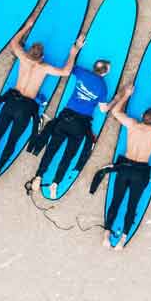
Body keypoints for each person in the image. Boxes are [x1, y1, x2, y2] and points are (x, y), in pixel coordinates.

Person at [0, 18, 85, 182]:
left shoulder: (23, 57)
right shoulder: (44, 67)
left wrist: (27, 26)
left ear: (29, 51)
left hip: (12, 102)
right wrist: (74, 51)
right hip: (26, 108)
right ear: (42, 57)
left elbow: (14, 42)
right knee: (12, 139)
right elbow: (66, 72)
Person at [91, 85, 151, 249]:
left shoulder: (132, 124)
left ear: (142, 116)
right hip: (140, 172)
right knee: (132, 205)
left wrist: (126, 95)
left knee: (116, 201)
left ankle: (106, 236)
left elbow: (116, 112)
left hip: (125, 167)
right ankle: (123, 240)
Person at [26, 56, 115, 196]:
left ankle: (38, 176)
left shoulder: (81, 72)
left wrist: (75, 50)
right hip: (81, 124)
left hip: (65, 118)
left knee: (51, 149)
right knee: (68, 155)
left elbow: (68, 68)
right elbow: (103, 109)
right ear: (105, 72)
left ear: (94, 67)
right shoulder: (103, 87)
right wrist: (116, 99)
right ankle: (55, 183)